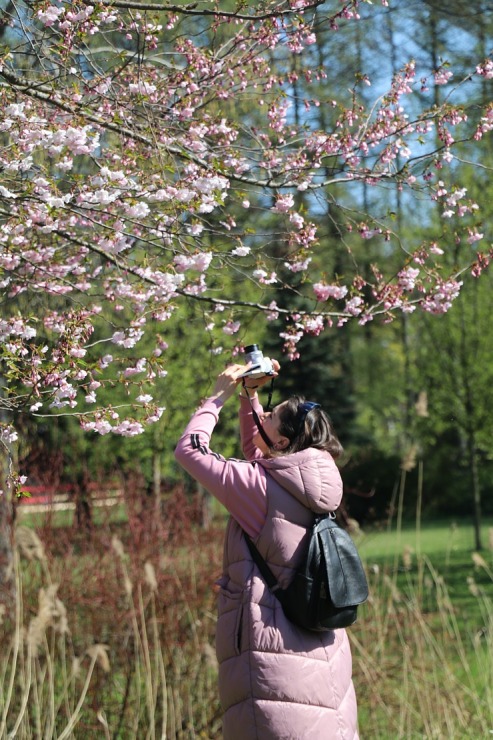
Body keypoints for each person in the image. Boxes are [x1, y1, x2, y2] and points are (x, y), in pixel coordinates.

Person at [174, 360, 359, 740]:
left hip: (276, 677)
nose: (264, 415)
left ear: (281, 442)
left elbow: (189, 452)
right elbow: (259, 457)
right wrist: (250, 397)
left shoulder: (258, 490)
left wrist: (217, 397)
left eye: (270, 416)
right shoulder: (310, 480)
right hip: (323, 662)